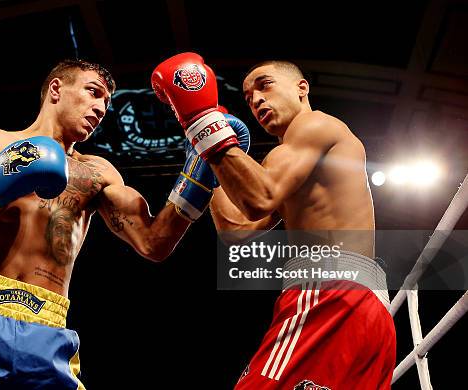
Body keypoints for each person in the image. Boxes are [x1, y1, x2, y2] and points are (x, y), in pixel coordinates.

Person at [0, 59, 214, 390]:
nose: (100, 108)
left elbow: (153, 243)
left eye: (107, 103)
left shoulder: (99, 173)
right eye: (93, 92)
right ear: (56, 89)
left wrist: (199, 176)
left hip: (46, 333)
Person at [151, 53, 395, 389]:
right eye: (249, 99)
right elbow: (236, 231)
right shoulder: (293, 164)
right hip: (365, 307)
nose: (257, 101)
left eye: (264, 86)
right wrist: (211, 160)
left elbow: (259, 199)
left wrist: (203, 121)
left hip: (329, 293)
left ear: (301, 88)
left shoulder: (315, 125)